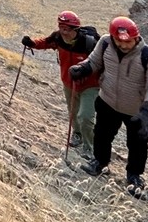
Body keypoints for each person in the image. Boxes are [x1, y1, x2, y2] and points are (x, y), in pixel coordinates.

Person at [70, 16, 148, 195]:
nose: (123, 46)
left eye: (128, 42)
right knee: (102, 134)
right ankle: (99, 162)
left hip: (136, 110)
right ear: (113, 37)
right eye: (119, 41)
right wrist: (82, 68)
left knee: (137, 144)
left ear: (136, 38)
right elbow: (94, 62)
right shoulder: (105, 43)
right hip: (107, 101)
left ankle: (134, 176)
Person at [23, 11, 99, 157]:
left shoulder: (89, 43)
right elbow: (45, 42)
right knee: (73, 112)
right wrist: (32, 43)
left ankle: (89, 147)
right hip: (69, 83)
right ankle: (77, 134)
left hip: (90, 85)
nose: (63, 31)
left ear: (75, 29)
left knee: (85, 116)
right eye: (61, 27)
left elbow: (100, 61)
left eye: (67, 28)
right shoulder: (57, 38)